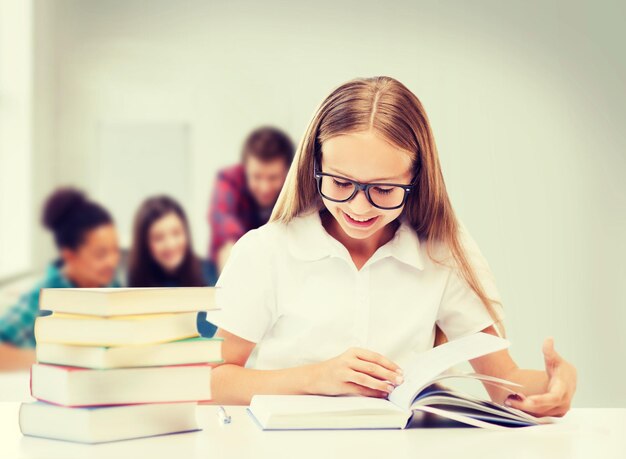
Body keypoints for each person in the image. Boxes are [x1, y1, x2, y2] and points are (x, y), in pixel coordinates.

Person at [203, 76, 578, 417]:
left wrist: (553, 387)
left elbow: (505, 381)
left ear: (417, 179)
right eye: (340, 183)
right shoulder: (266, 251)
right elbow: (211, 381)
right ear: (315, 166)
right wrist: (316, 378)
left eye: (383, 189)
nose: (359, 207)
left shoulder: (442, 254)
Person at [0, 187, 121, 371]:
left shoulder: (113, 285)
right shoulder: (44, 297)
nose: (112, 261)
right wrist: (57, 359)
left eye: (115, 250)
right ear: (69, 255)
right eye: (101, 254)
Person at [208, 126, 294, 273]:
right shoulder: (228, 179)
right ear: (245, 169)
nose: (265, 187)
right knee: (228, 247)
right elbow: (222, 218)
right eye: (257, 176)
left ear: (287, 172)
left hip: (281, 263)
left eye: (273, 177)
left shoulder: (296, 185)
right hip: (235, 260)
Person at [128, 195, 217, 337]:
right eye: (158, 238)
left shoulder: (210, 273)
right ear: (145, 244)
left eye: (176, 233)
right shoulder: (132, 289)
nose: (170, 244)